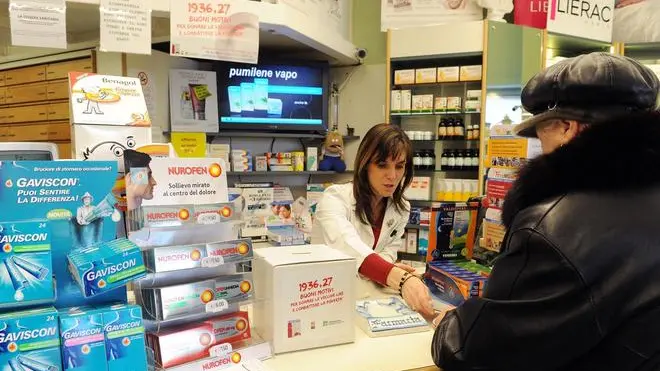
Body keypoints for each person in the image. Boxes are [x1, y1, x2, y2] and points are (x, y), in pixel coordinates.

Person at [431, 52, 660, 370]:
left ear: (568, 128)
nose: (539, 146)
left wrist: (448, 325)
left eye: (542, 134)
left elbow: (474, 351)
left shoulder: (551, 227)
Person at [313, 123, 434, 317]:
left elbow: (388, 253)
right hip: (322, 299)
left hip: (368, 301)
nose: (393, 176)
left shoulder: (401, 208)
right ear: (365, 164)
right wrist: (399, 278)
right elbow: (348, 246)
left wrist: (385, 270)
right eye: (382, 165)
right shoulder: (334, 198)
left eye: (400, 166)